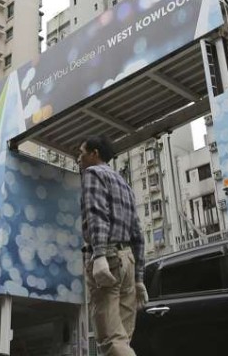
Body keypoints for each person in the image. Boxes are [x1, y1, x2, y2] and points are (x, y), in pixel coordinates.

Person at [78, 135, 147, 356]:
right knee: (123, 339)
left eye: (81, 153)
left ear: (94, 154)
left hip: (107, 260)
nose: (78, 159)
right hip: (127, 259)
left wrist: (98, 256)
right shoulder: (123, 182)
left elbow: (97, 215)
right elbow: (137, 231)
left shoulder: (93, 174)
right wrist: (138, 278)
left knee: (110, 339)